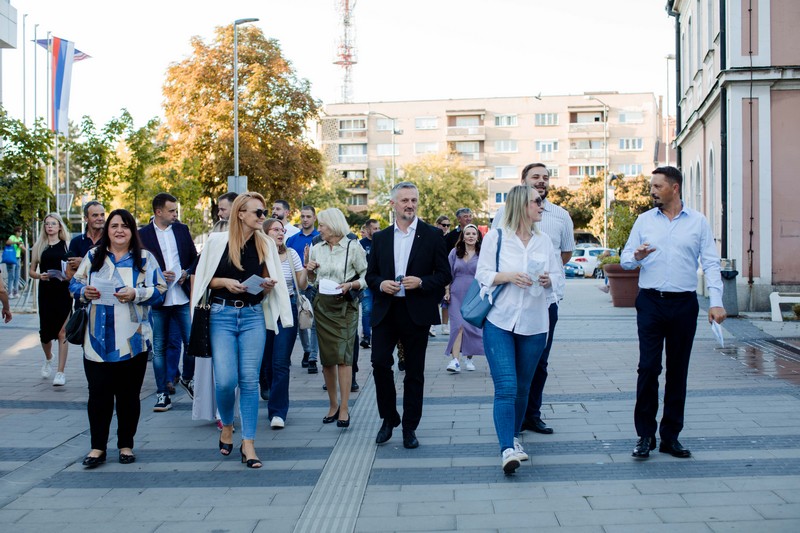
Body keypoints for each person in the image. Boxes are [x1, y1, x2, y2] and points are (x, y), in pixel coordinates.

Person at [621, 166, 727, 460]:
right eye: (651, 186)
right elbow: (626, 259)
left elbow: (711, 263)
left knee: (678, 370)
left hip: (683, 304)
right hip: (651, 302)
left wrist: (716, 301)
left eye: (657, 186)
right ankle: (645, 436)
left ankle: (670, 436)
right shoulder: (644, 221)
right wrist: (636, 257)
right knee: (648, 368)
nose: (652, 191)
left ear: (675, 188)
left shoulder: (698, 222)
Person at [190, 192, 292, 469]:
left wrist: (267, 285)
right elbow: (201, 281)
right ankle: (227, 423)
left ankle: (248, 443)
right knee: (225, 381)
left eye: (263, 212)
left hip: (253, 316)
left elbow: (275, 280)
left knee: (249, 381)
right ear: (240, 214)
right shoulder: (216, 242)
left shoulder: (266, 244)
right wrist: (224, 281)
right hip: (222, 315)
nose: (263, 216)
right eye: (258, 212)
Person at [69, 209, 167, 468]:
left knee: (128, 396)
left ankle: (126, 445)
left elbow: (160, 291)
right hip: (96, 341)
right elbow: (74, 284)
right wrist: (84, 291)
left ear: (132, 230)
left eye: (124, 225)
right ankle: (97, 448)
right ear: (107, 230)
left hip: (132, 341)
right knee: (98, 396)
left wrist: (136, 293)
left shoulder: (145, 259)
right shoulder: (93, 256)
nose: (119, 230)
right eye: (114, 226)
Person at [477, 184, 562, 474]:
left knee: (524, 387)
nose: (542, 205)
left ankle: (513, 437)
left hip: (535, 324)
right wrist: (508, 276)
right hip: (500, 321)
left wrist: (550, 281)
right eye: (537, 201)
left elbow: (559, 280)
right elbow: (483, 274)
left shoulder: (545, 241)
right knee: (507, 387)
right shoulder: (497, 238)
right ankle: (507, 449)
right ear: (521, 206)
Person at [367, 182, 451, 449]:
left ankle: (410, 427)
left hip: (416, 313)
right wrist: (381, 284)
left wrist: (422, 282)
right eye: (404, 200)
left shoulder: (432, 235)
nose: (410, 205)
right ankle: (389, 417)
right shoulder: (380, 238)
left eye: (413, 200)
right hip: (387, 311)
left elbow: (444, 275)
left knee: (414, 372)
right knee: (380, 364)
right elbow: (370, 276)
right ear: (393, 204)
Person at [494, 162, 575, 435]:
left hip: (544, 301)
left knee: (539, 360)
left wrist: (548, 276)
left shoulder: (560, 215)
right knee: (509, 365)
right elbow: (494, 256)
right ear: (523, 180)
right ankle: (511, 416)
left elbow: (564, 255)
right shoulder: (502, 214)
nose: (542, 181)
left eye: (546, 177)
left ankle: (532, 414)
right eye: (536, 177)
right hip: (508, 302)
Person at [305, 208, 367, 429]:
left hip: (345, 307)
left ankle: (344, 407)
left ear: (333, 225)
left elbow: (366, 275)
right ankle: (332, 404)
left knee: (344, 356)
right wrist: (309, 270)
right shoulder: (316, 248)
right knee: (328, 358)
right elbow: (310, 282)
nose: (319, 228)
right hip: (322, 306)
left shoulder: (353, 246)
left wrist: (351, 284)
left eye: (322, 225)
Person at [139, 193, 198, 411]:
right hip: (158, 299)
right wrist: (157, 276)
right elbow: (139, 266)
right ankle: (162, 393)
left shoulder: (181, 230)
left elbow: (194, 258)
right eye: (172, 211)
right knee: (160, 348)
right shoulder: (142, 235)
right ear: (158, 212)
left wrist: (185, 272)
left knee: (192, 342)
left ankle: (188, 378)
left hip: (181, 296)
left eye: (176, 210)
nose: (175, 214)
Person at [261, 218, 306, 429]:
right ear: (264, 233)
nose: (280, 233)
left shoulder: (291, 254)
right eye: (275, 230)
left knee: (280, 362)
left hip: (286, 308)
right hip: (262, 310)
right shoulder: (259, 255)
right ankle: (272, 396)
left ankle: (278, 412)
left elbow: (301, 284)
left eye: (282, 230)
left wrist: (308, 267)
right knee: (267, 362)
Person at [29, 213, 73, 386]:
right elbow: (31, 271)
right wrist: (40, 276)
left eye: (53, 224)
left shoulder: (67, 245)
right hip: (46, 291)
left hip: (63, 291)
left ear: (60, 226)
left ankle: (60, 372)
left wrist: (68, 276)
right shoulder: (39, 246)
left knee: (63, 332)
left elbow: (73, 268)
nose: (50, 227)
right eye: (47, 224)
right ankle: (49, 357)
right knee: (45, 335)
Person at [444, 224, 484, 373]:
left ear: (478, 236)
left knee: (470, 326)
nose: (471, 236)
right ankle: (455, 361)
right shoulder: (455, 252)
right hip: (456, 293)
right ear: (463, 236)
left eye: (474, 233)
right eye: (468, 233)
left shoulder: (483, 254)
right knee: (458, 326)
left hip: (475, 293)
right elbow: (447, 273)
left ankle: (469, 358)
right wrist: (447, 290)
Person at [286, 205, 320, 373]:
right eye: (303, 216)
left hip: (313, 285)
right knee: (301, 321)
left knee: (314, 321)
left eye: (308, 216)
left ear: (314, 218)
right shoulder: (292, 239)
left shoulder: (319, 238)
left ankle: (313, 356)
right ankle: (306, 350)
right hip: (296, 286)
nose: (305, 219)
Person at [67, 201, 106, 275]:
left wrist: (84, 262)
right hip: (82, 286)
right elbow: (69, 273)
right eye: (95, 215)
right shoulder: (76, 242)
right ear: (86, 218)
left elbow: (112, 268)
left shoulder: (110, 241)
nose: (100, 218)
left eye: (102, 215)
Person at [358, 219, 380, 349]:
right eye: (375, 228)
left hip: (379, 282)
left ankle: (377, 335)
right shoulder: (360, 244)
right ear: (367, 230)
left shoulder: (382, 243)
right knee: (367, 309)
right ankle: (366, 336)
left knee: (379, 309)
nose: (378, 231)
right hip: (365, 282)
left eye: (378, 228)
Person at [434, 215, 452, 336]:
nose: (445, 227)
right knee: (434, 300)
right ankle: (432, 326)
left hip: (448, 270)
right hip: (435, 271)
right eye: (443, 225)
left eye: (447, 225)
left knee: (447, 299)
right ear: (438, 224)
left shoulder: (450, 238)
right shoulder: (433, 237)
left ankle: (445, 325)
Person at [5, 226, 26, 297]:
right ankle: (9, 292)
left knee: (17, 276)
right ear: (15, 232)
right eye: (19, 231)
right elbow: (8, 242)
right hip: (11, 258)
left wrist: (21, 247)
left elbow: (24, 249)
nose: (20, 233)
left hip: (18, 258)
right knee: (11, 276)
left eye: (21, 232)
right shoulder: (12, 237)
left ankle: (16, 292)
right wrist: (16, 242)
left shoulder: (20, 239)